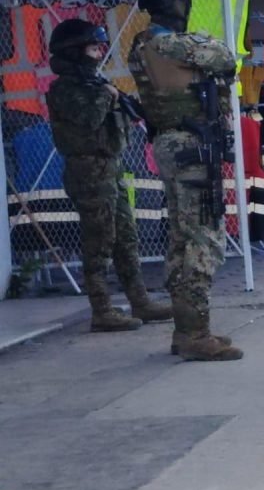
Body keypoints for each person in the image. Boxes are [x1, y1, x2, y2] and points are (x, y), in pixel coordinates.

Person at [129, 0, 242, 361]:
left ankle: (187, 330)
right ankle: (195, 333)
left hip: (174, 142)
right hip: (189, 144)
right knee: (201, 238)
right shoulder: (169, 45)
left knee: (183, 236)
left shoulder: (144, 44)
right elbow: (225, 58)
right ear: (174, 4)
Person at [46, 19, 173, 333]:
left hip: (109, 168)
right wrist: (107, 96)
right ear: (75, 52)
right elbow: (88, 119)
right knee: (100, 241)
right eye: (92, 47)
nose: (98, 52)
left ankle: (139, 301)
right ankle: (101, 309)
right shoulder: (64, 89)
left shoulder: (93, 82)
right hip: (88, 171)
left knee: (126, 239)